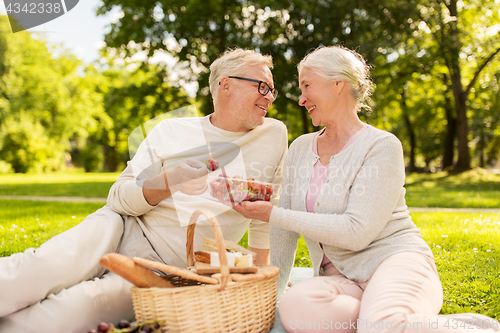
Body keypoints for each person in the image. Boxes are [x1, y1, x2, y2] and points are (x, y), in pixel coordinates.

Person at [0, 48, 288, 333]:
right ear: (226, 84)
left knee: (72, 311)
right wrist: (171, 179)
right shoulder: (171, 130)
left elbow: (264, 216)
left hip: (163, 269)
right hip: (120, 227)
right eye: (262, 86)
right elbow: (119, 197)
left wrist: (262, 279)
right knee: (42, 267)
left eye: (272, 90)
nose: (269, 97)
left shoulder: (273, 135)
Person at [228, 45, 499, 333]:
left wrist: (272, 214)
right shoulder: (300, 148)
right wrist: (275, 296)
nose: (301, 98)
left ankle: (467, 329)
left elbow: (356, 231)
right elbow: (284, 232)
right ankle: (393, 320)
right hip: (342, 280)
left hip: (395, 262)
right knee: (295, 309)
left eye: (307, 86)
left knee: (380, 326)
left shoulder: (381, 146)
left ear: (338, 83)